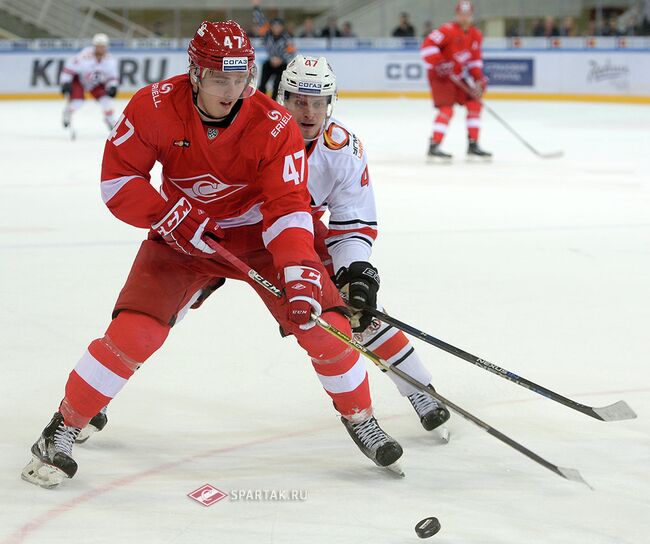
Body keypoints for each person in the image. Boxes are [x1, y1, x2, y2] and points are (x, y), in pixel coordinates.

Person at [21, 20, 402, 490]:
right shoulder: (153, 106)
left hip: (258, 239)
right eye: (221, 79)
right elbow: (118, 181)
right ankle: (64, 425)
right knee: (135, 333)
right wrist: (165, 215)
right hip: (181, 238)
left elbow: (287, 208)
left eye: (241, 78)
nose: (233, 90)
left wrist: (301, 270)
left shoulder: (273, 124)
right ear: (196, 74)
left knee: (327, 326)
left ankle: (359, 416)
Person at [275, 55, 451, 434]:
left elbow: (351, 220)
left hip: (296, 233)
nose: (309, 112)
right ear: (282, 98)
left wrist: (354, 270)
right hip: (238, 232)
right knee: (176, 300)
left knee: (356, 308)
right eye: (299, 101)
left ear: (330, 103)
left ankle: (419, 388)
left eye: (318, 102)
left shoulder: (341, 148)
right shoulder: (255, 133)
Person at [420, 0, 491, 160]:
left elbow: (474, 61)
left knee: (474, 103)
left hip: (458, 76)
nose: (464, 18)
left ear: (471, 16)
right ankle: (434, 145)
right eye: (461, 14)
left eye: (467, 15)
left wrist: (479, 78)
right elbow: (427, 47)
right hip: (441, 77)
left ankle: (473, 144)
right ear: (457, 15)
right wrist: (439, 63)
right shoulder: (447, 30)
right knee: (447, 109)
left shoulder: (475, 35)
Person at [60, 33, 119, 137]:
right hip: (80, 81)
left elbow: (112, 77)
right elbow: (69, 69)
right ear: (94, 46)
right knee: (77, 102)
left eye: (103, 46)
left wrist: (112, 86)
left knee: (106, 101)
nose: (101, 48)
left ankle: (110, 120)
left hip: (95, 84)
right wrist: (65, 82)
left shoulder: (110, 60)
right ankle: (67, 113)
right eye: (98, 46)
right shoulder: (84, 56)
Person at [252, 0, 296, 100]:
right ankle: (260, 100)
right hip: (270, 62)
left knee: (277, 85)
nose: (276, 28)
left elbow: (292, 52)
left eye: (278, 26)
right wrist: (256, 7)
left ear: (282, 27)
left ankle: (272, 102)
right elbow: (260, 21)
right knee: (262, 84)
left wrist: (281, 59)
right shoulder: (267, 35)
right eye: (274, 26)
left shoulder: (287, 38)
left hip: (281, 64)